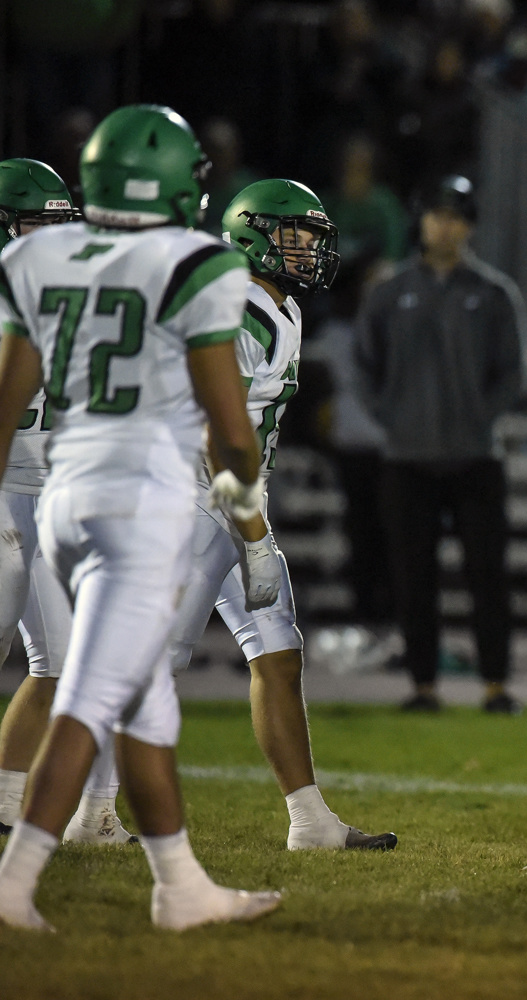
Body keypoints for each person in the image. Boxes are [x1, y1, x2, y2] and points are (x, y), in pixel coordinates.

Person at [0, 104, 279, 930]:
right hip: (137, 509)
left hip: (63, 496)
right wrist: (248, 521)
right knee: (88, 699)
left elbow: (7, 401)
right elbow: (231, 432)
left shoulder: (39, 253)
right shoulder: (197, 263)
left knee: (147, 702)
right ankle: (14, 883)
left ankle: (180, 886)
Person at [164, 177, 396, 850]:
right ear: (252, 234)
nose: (308, 251)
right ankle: (85, 811)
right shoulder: (237, 306)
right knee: (148, 672)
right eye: (295, 237)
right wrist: (255, 537)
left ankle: (310, 821)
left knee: (279, 653)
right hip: (194, 501)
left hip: (231, 500)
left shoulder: (276, 304)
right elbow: (217, 437)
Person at [354, 174, 527, 713]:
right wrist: (393, 418)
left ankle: (496, 685)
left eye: (455, 216)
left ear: (469, 225)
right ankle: (423, 686)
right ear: (421, 223)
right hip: (407, 458)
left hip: (476, 456)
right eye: (435, 215)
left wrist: (479, 418)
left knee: (488, 575)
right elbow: (364, 365)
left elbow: (513, 373)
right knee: (413, 576)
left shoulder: (494, 293)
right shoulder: (390, 292)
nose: (444, 225)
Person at [0, 157, 136, 845]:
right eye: (35, 226)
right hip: (3, 492)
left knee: (60, 662)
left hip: (45, 496)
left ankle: (7, 799)